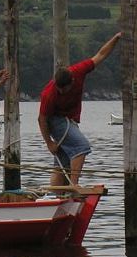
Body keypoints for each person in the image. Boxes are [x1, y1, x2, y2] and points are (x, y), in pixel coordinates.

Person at [38, 32, 123, 188]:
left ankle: (56, 197)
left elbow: (100, 55)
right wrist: (49, 142)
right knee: (81, 146)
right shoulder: (49, 94)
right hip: (55, 120)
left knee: (62, 160)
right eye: (59, 89)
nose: (61, 92)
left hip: (69, 120)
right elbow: (42, 119)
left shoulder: (78, 71)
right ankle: (74, 185)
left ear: (72, 81)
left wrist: (116, 38)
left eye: (64, 89)